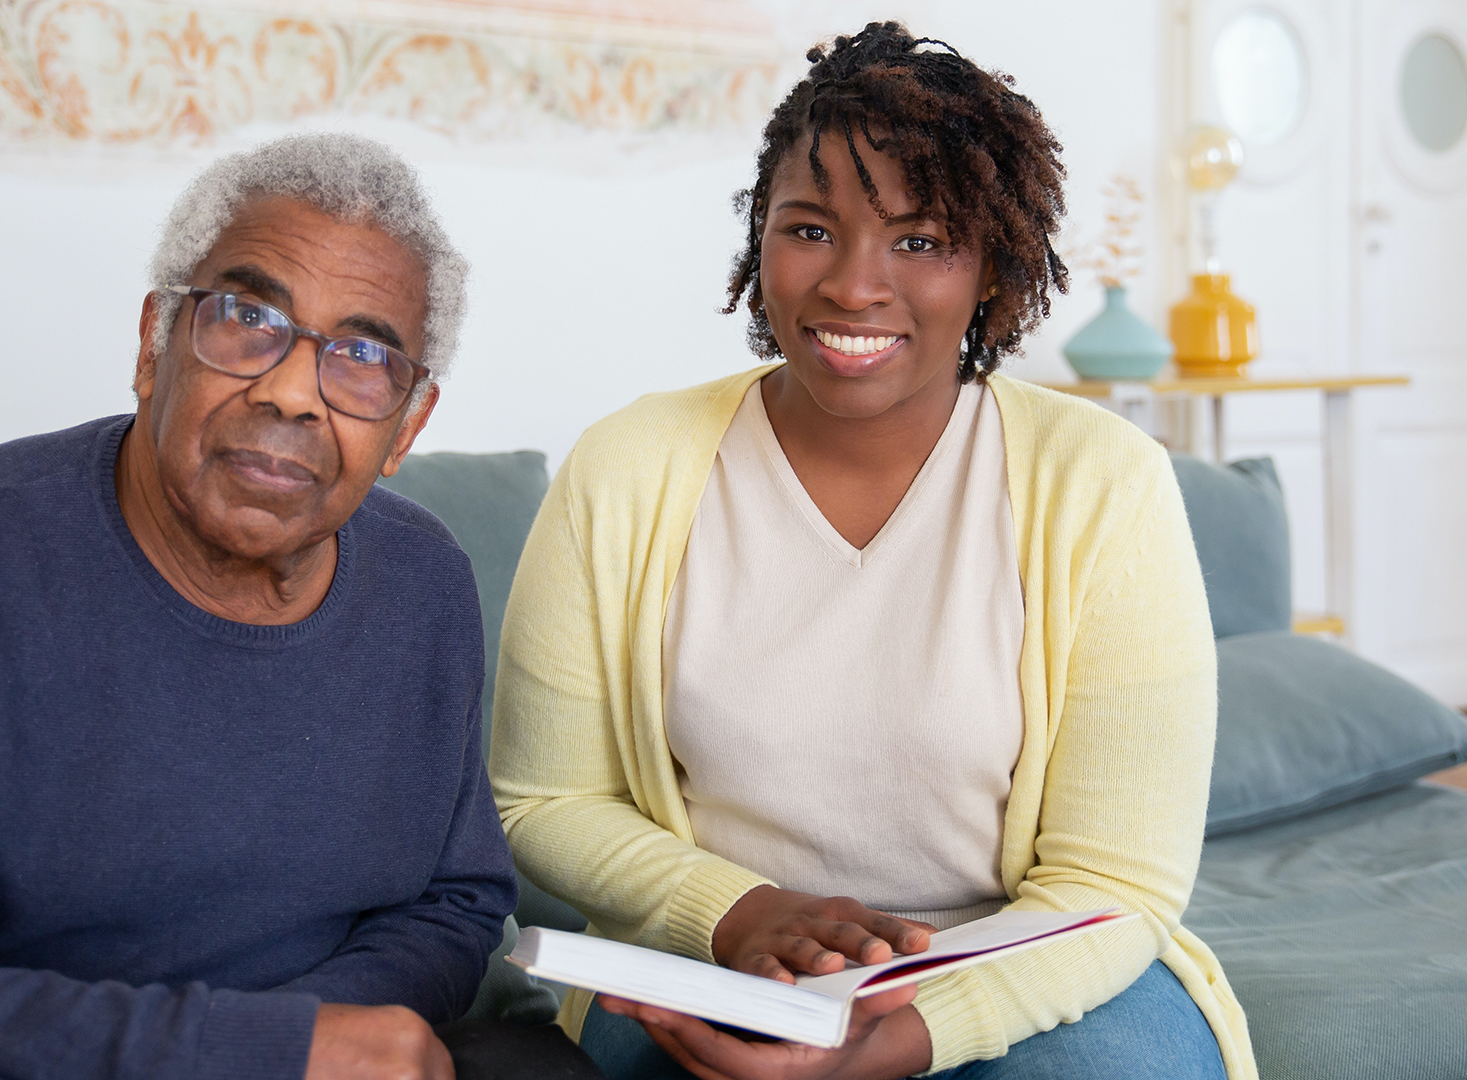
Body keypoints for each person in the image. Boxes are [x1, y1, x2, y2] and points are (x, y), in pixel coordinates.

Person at [0, 134, 578, 1080]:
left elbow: (454, 902)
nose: (291, 391)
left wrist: (313, 1039)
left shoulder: (427, 581)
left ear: (407, 424)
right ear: (153, 343)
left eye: (362, 353)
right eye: (248, 315)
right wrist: (255, 1052)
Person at [490, 24, 1260, 1080]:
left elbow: (1116, 881)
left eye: (921, 240)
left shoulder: (1104, 483)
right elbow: (545, 799)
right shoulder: (627, 468)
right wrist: (739, 914)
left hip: (1021, 958)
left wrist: (930, 1024)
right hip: (726, 962)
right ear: (758, 240)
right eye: (810, 229)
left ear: (992, 269)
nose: (854, 285)